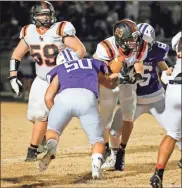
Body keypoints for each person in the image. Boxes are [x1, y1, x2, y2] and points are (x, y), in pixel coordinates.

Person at [9, 1, 86, 162]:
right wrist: (13, 77)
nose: (45, 18)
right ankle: (44, 139)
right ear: (34, 16)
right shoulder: (28, 32)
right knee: (36, 115)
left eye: (47, 14)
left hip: (59, 78)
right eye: (41, 14)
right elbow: (16, 55)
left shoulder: (60, 29)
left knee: (43, 116)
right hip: (41, 78)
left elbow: (80, 49)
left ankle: (33, 149)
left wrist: (70, 65)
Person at [37, 48, 118, 179]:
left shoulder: (61, 69)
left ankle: (52, 145)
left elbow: (48, 97)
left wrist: (57, 114)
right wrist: (119, 77)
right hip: (87, 99)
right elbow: (109, 83)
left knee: (53, 131)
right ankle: (96, 167)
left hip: (64, 98)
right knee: (97, 139)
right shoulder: (91, 63)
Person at [103, 23, 171, 170]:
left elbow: (164, 68)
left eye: (147, 41)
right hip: (134, 99)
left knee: (176, 128)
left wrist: (168, 73)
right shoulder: (126, 51)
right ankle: (115, 158)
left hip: (156, 98)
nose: (143, 44)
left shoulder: (155, 50)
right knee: (114, 132)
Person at [93, 19, 148, 171]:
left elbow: (138, 62)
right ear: (119, 38)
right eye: (129, 39)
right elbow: (102, 75)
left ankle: (121, 151)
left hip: (127, 78)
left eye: (134, 38)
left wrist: (137, 74)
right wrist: (117, 75)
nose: (133, 42)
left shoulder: (141, 44)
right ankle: (105, 149)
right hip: (108, 80)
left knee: (128, 116)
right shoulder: (105, 48)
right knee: (106, 118)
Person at [150, 32, 181, 187]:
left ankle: (158, 173)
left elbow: (165, 76)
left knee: (172, 133)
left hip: (174, 89)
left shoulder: (178, 39)